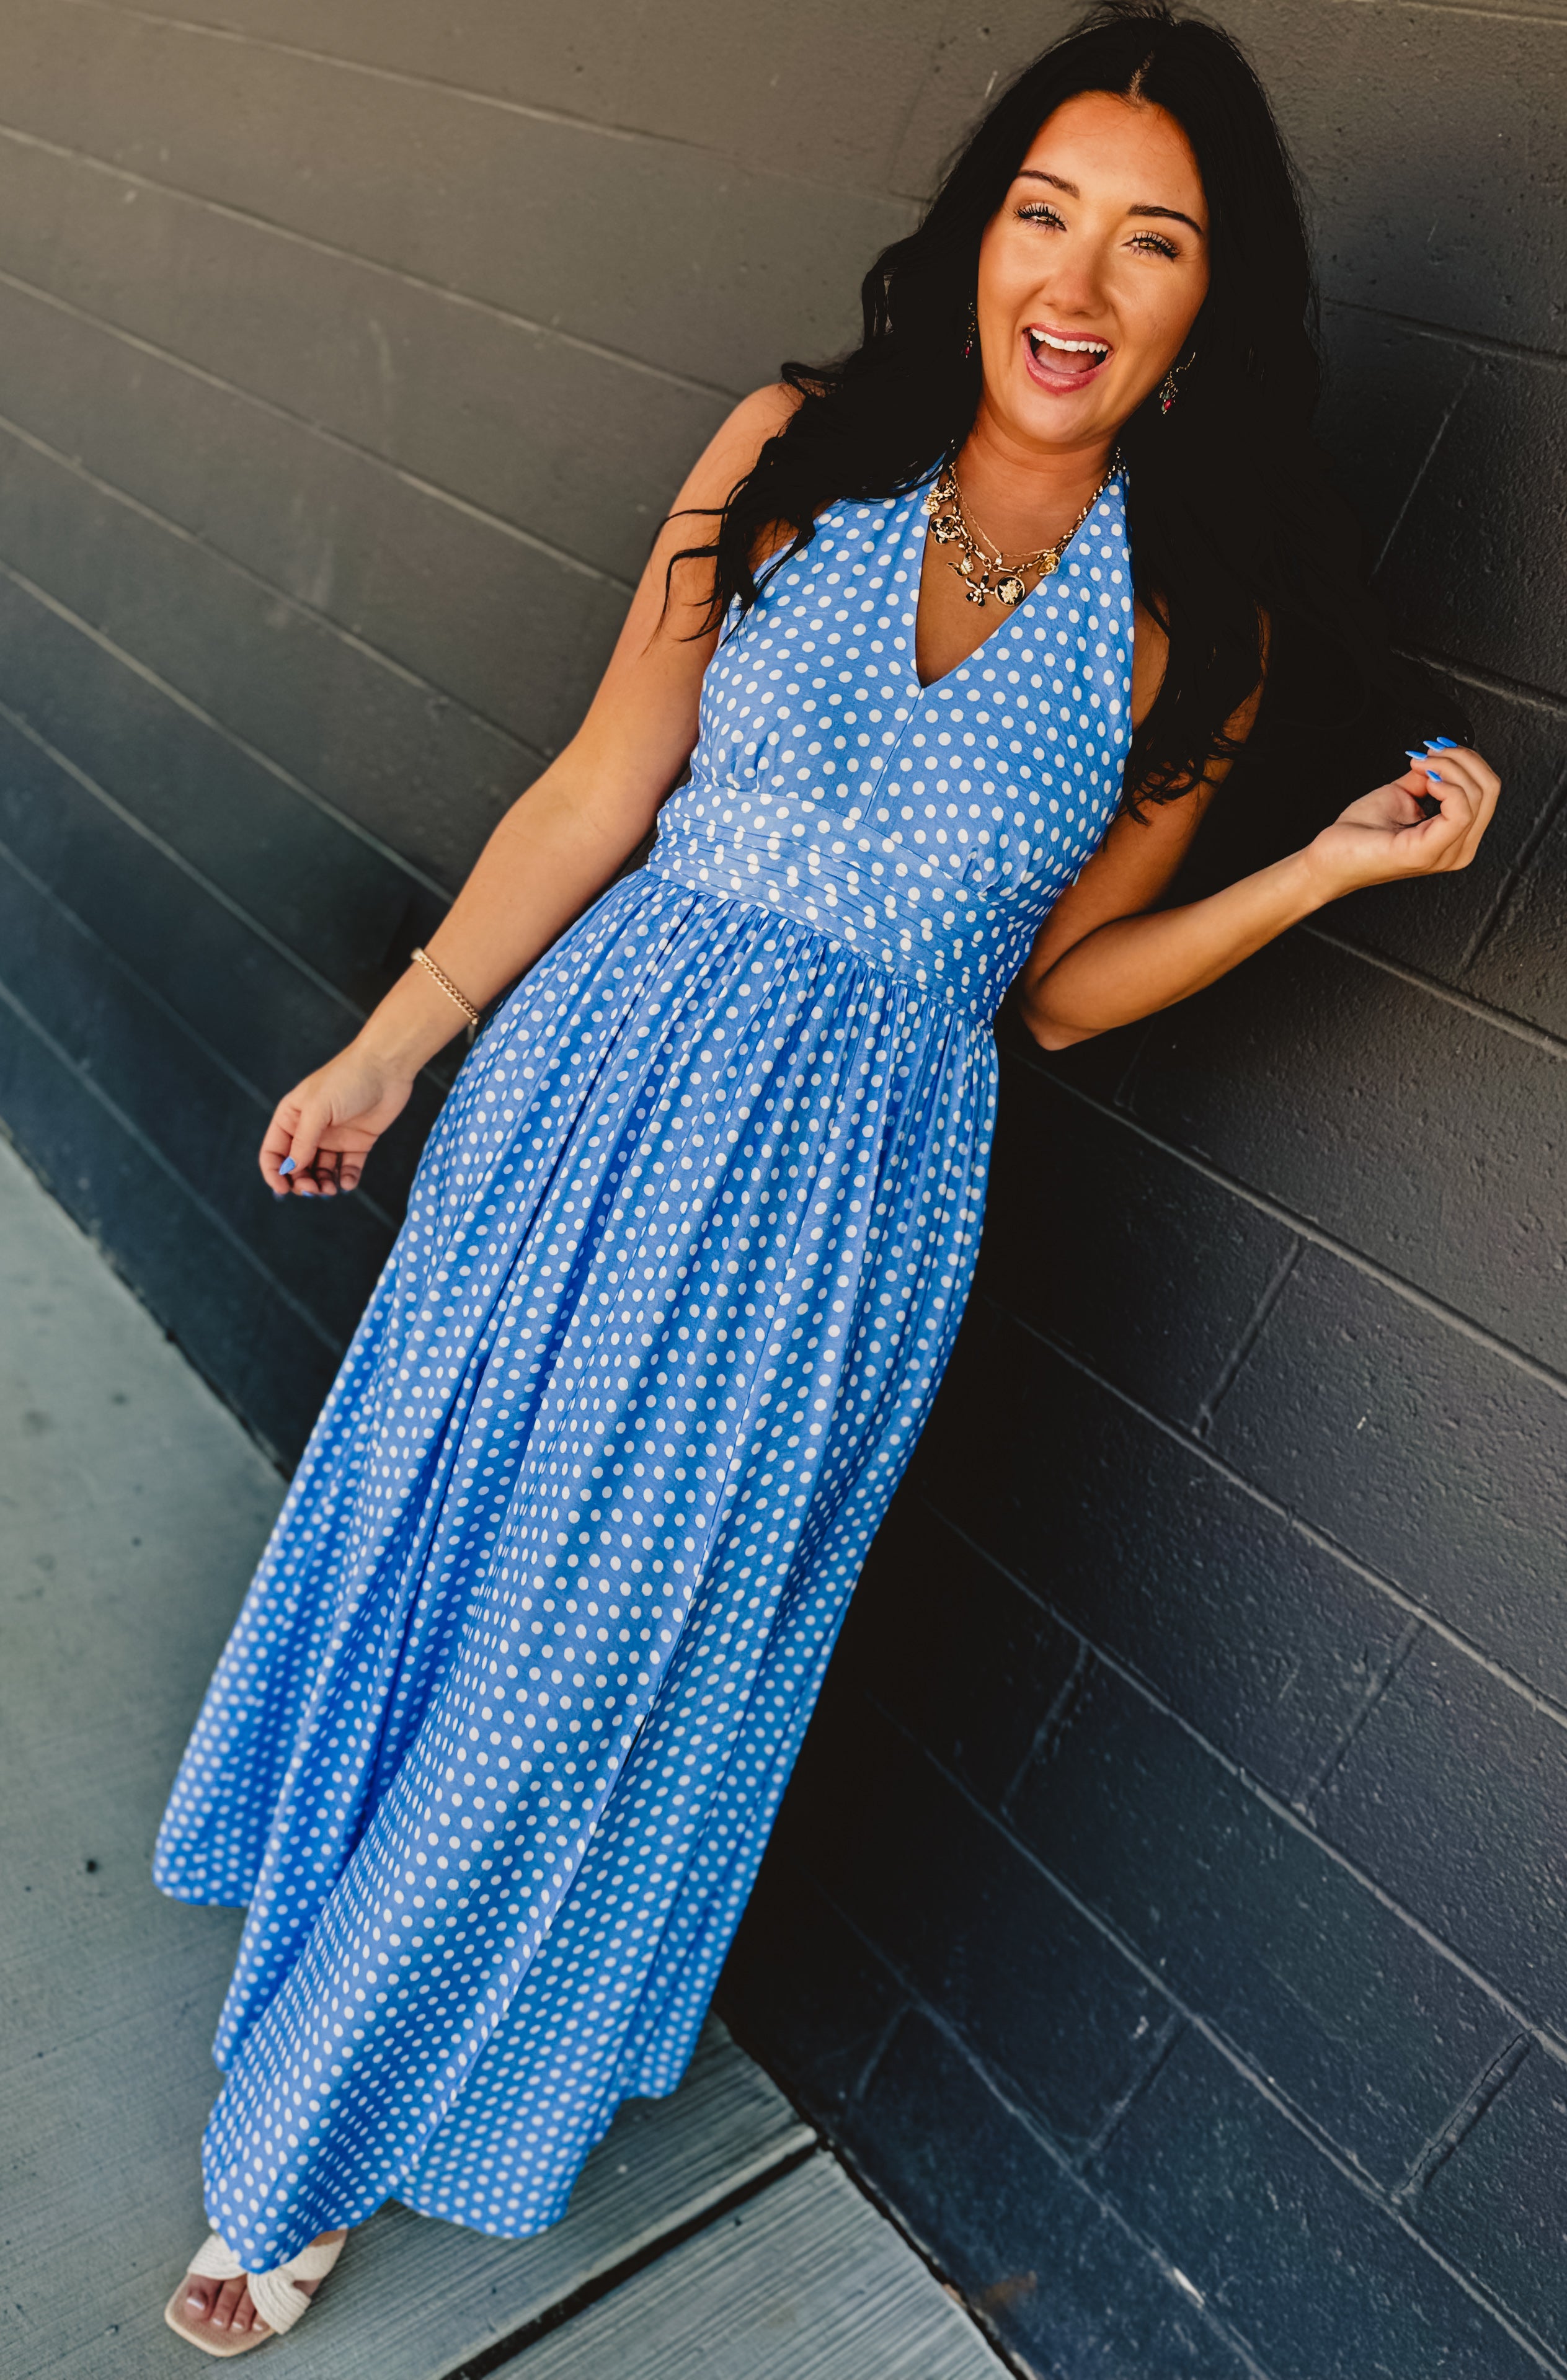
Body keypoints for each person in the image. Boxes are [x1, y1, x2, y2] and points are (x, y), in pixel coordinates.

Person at [156, 1, 1499, 2351]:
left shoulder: (1194, 617)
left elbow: (1060, 995)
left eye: (1151, 243)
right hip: (588, 1094)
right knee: (460, 1564)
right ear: (981, 237)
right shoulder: (796, 449)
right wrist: (393, 1049)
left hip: (832, 1206)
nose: (1077, 278)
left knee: (592, 1665)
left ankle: (297, 2147)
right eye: (1042, 211)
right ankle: (322, 2025)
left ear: (1209, 310)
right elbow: (599, 785)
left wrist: (1317, 881)